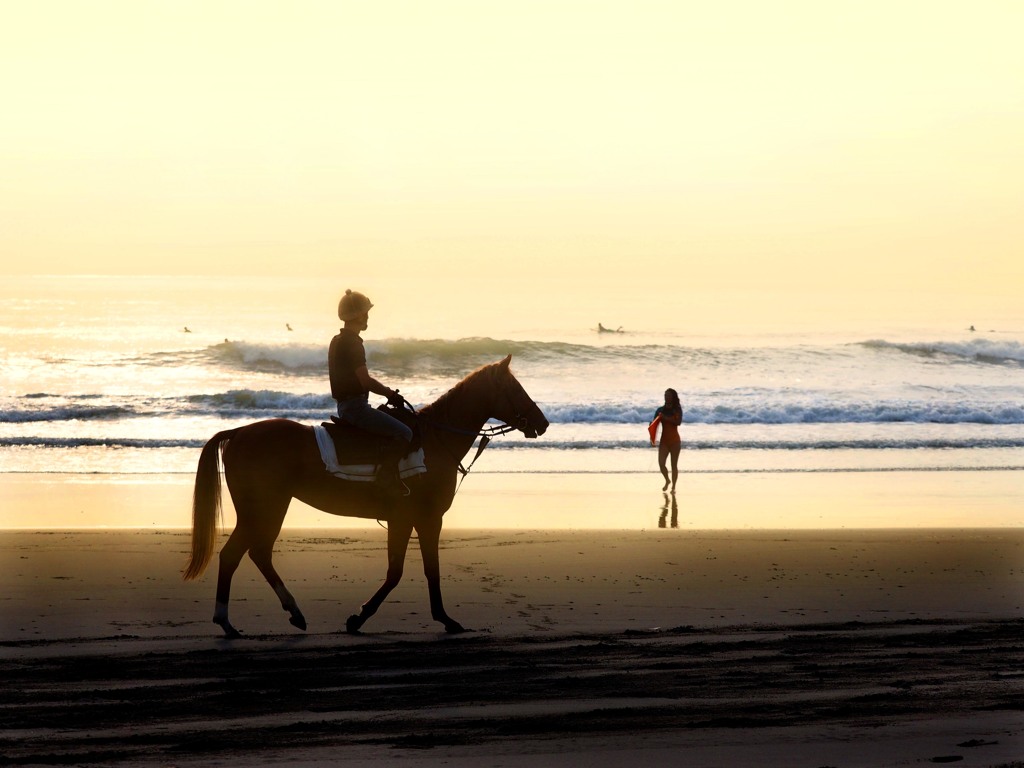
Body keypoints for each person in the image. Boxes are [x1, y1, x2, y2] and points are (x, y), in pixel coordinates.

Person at [329, 290, 413, 495]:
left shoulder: (337, 340)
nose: (367, 317)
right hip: (356, 407)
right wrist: (390, 394)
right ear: (358, 315)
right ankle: (386, 476)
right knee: (405, 432)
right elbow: (365, 381)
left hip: (344, 405)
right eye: (365, 313)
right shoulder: (353, 343)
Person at [652, 388, 682, 492]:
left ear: (673, 397)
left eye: (668, 395)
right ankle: (667, 480)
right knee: (661, 464)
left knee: (674, 465)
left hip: (675, 441)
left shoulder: (677, 409)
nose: (666, 397)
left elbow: (678, 422)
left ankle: (673, 486)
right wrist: (652, 438)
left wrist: (665, 418)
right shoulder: (660, 410)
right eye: (665, 395)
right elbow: (654, 424)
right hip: (664, 441)